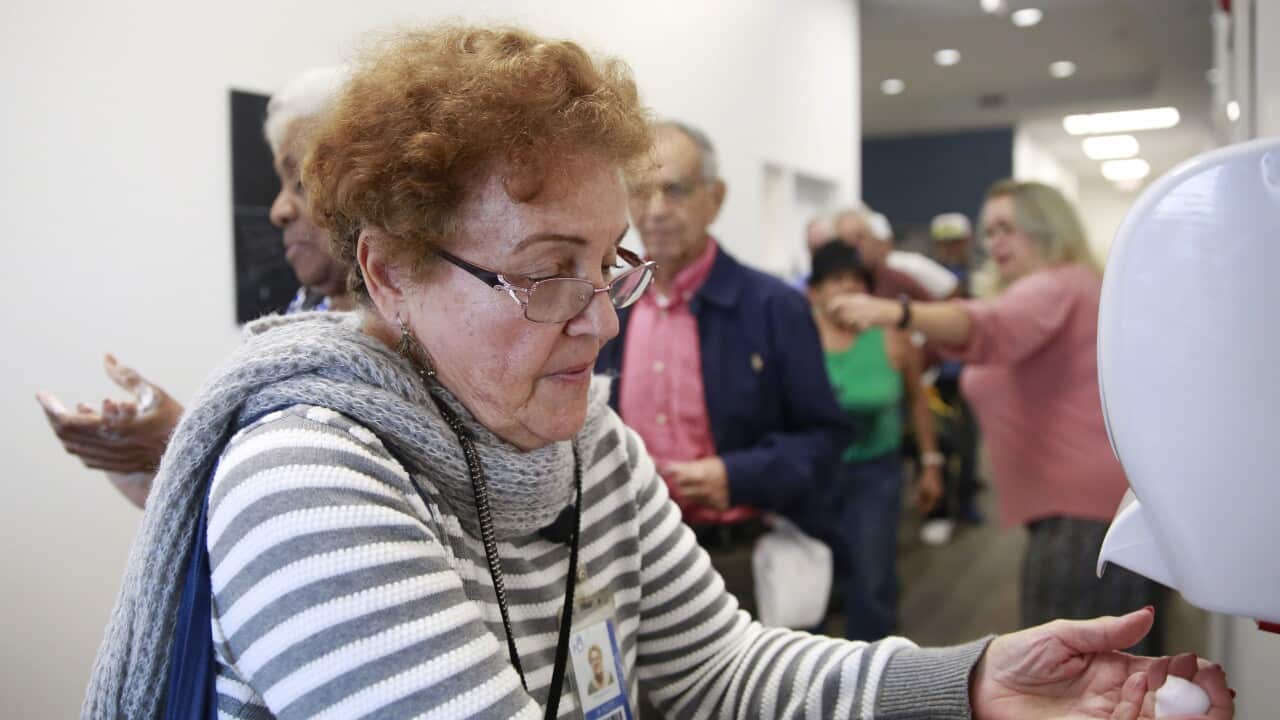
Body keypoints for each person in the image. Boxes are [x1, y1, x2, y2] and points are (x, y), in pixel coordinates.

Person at [84, 26, 1232, 720]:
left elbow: (720, 667)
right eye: (542, 273)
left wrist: (974, 682)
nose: (596, 322)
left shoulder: (587, 443)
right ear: (387, 272)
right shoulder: (306, 476)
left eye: (608, 266)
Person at [829, 180, 1172, 656]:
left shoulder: (1055, 285)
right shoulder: (1062, 286)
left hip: (1084, 516)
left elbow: (987, 326)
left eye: (1008, 228)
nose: (995, 243)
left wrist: (896, 312)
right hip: (1083, 509)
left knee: (1075, 670)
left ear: (1046, 228)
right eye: (989, 231)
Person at [35, 67, 353, 509]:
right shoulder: (302, 319)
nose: (279, 210)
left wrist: (179, 444)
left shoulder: (408, 347)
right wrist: (148, 468)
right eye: (280, 185)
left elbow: (320, 509)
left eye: (300, 183)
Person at [595, 120, 850, 615]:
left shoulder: (773, 307)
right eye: (641, 192)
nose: (655, 211)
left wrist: (738, 475)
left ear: (716, 198)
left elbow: (825, 439)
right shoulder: (608, 307)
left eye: (675, 190)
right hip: (629, 567)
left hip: (738, 566)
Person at [807, 240, 943, 641]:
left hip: (875, 473)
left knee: (872, 580)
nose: (847, 288)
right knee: (811, 580)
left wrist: (931, 465)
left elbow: (919, 401)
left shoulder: (889, 336)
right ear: (814, 291)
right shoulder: (798, 333)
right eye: (835, 280)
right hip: (812, 474)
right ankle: (804, 679)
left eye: (855, 280)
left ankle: (872, 679)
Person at [833, 207, 935, 301]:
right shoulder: (829, 283)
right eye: (845, 240)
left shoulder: (908, 270)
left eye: (859, 237)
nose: (853, 245)